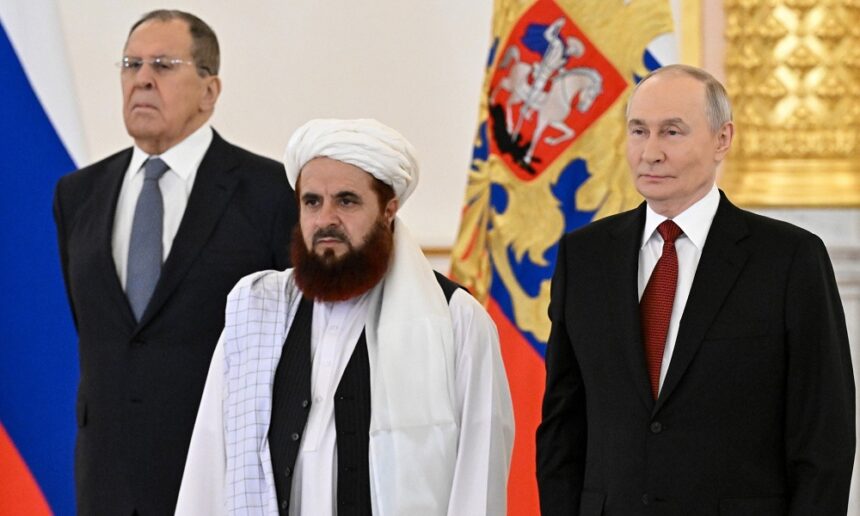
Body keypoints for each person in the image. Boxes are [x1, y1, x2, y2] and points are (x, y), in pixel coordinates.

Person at [536, 64, 855, 515]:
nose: (650, 152)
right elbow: (562, 426)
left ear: (722, 139)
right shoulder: (584, 256)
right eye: (639, 131)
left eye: (672, 132)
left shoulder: (789, 258)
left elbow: (824, 436)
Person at [175, 118, 514, 515]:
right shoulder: (257, 310)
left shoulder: (455, 320)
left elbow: (478, 476)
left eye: (346, 201)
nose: (325, 219)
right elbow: (210, 461)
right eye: (312, 202)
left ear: (388, 210)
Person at [53, 10, 297, 515]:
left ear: (209, 90)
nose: (142, 79)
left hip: (220, 481)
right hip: (106, 486)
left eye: (163, 65)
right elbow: (97, 330)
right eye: (131, 64)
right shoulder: (77, 194)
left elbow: (292, 346)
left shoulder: (270, 192)